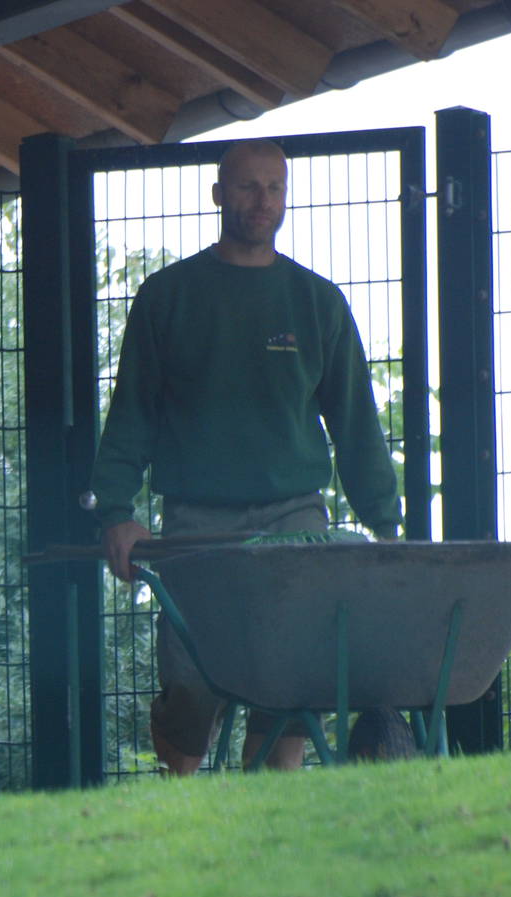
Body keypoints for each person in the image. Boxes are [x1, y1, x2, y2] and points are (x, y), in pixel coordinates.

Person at [89, 138, 402, 776]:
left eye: (275, 188)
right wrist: (116, 510)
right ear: (218, 195)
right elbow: (132, 415)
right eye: (247, 187)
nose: (262, 202)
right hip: (197, 521)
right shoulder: (167, 296)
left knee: (294, 675)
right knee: (192, 680)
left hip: (295, 515)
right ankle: (179, 807)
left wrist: (385, 524)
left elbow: (356, 423)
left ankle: (272, 812)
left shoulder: (319, 302)